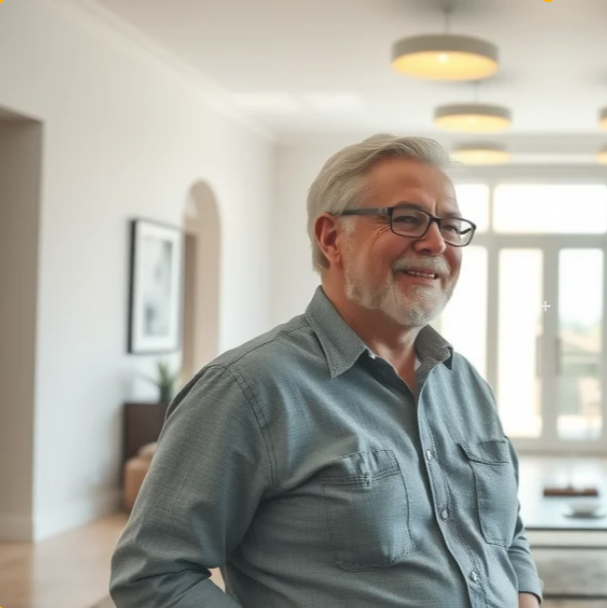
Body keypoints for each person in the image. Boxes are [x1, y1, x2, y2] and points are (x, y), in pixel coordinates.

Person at [110, 134, 544, 608]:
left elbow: (505, 534)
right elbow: (154, 575)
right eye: (407, 218)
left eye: (451, 224)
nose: (436, 241)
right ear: (332, 237)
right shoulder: (248, 389)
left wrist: (526, 595)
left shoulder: (464, 383)